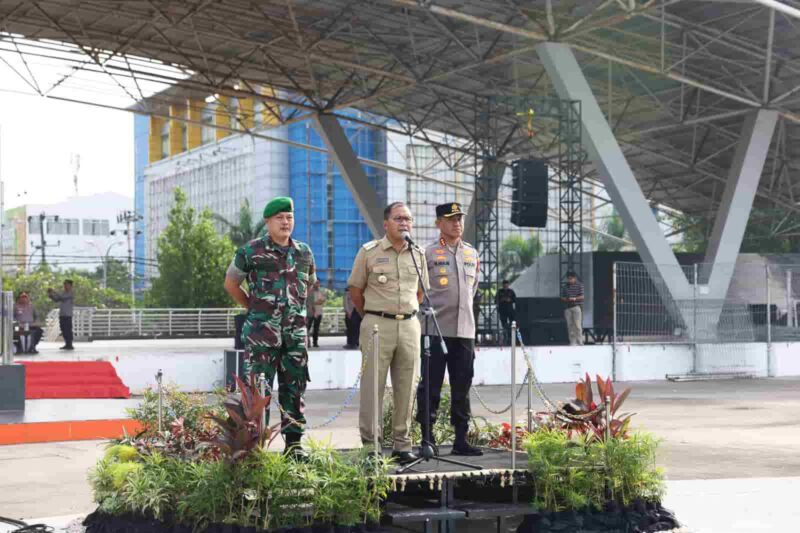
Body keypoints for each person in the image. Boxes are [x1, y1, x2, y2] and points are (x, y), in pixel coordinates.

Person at [224, 197, 316, 460]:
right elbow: (231, 284)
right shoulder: (250, 251)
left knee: (295, 389)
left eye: (289, 217)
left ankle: (295, 447)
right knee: (257, 394)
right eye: (280, 218)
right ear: (268, 221)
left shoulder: (304, 252)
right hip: (261, 337)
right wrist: (254, 308)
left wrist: (293, 309)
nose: (286, 222)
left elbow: (308, 284)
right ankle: (255, 450)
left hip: (294, 337)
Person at [348, 202, 428, 466]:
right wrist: (373, 314)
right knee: (373, 386)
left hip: (409, 325)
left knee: (408, 385)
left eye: (408, 219)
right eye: (398, 218)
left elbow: (420, 293)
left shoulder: (418, 254)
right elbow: (355, 292)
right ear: (386, 224)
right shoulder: (369, 252)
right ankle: (372, 445)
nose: (404, 223)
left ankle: (402, 445)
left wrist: (405, 313)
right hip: (376, 324)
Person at [415, 202, 483, 456]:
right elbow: (419, 290)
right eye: (451, 219)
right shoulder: (428, 253)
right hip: (434, 330)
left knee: (462, 386)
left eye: (459, 219)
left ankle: (461, 440)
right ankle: (427, 438)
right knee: (430, 386)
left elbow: (472, 289)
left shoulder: (471, 254)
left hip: (464, 331)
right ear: (438, 224)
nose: (457, 223)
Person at [48, 280, 75, 350]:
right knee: (63, 329)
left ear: (71, 286)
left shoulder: (71, 293)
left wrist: (54, 291)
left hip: (68, 315)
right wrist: (51, 295)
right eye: (65, 284)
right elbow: (57, 299)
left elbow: (62, 297)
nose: (65, 286)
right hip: (62, 314)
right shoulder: (63, 293)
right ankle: (67, 344)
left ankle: (70, 344)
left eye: (67, 285)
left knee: (68, 330)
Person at [561, 271, 585, 346]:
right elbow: (562, 297)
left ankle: (580, 341)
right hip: (567, 308)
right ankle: (572, 341)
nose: (569, 280)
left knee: (577, 325)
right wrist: (567, 299)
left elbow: (582, 297)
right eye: (568, 279)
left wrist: (574, 299)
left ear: (574, 278)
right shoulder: (565, 287)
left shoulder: (579, 285)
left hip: (576, 307)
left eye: (571, 279)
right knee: (570, 325)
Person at [306, 279, 326, 348]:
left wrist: (315, 303)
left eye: (318, 283)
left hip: (319, 312)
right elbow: (308, 302)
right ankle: (307, 343)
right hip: (310, 313)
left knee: (316, 328)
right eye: (316, 283)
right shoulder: (310, 291)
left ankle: (315, 342)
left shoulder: (321, 291)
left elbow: (322, 300)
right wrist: (315, 303)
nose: (317, 284)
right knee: (307, 328)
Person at [496, 279, 516, 345]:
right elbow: (495, 300)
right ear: (503, 285)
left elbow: (515, 299)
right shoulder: (499, 291)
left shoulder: (511, 291)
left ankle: (511, 337)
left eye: (506, 284)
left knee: (512, 323)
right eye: (504, 284)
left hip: (510, 310)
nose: (505, 286)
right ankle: (505, 336)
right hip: (502, 310)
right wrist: (501, 300)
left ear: (508, 285)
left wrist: (509, 300)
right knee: (504, 324)